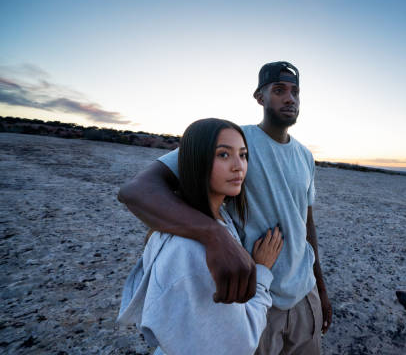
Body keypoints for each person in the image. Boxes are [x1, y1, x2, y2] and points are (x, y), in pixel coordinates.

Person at [118, 61, 332, 354]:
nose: (289, 98)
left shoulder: (305, 156)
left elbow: (306, 223)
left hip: (305, 297)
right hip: (255, 297)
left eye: (295, 91)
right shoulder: (234, 140)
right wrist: (214, 236)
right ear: (260, 97)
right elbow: (137, 191)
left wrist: (319, 287)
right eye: (279, 89)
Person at [117, 118, 284, 354]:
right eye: (223, 155)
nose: (239, 166)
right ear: (197, 161)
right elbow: (239, 342)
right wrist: (262, 273)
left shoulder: (220, 216)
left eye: (243, 155)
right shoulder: (191, 247)